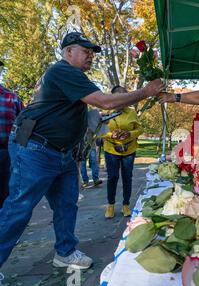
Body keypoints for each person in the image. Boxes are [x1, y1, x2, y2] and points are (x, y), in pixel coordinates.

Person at [0, 32, 164, 271]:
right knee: (19, 207)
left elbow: (83, 113)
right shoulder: (63, 71)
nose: (90, 57)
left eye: (92, 54)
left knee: (67, 203)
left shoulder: (73, 79)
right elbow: (105, 101)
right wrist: (144, 92)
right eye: (85, 52)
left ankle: (65, 252)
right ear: (68, 52)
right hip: (36, 148)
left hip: (61, 152)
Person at [102, 85, 143, 219]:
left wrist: (129, 133)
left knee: (127, 177)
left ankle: (126, 205)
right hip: (111, 150)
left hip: (129, 150)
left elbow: (140, 130)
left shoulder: (131, 112)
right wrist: (110, 135)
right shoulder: (106, 112)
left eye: (123, 99)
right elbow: (98, 132)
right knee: (112, 177)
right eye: (117, 98)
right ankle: (110, 206)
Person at [0, 60, 24, 208]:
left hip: (6, 155)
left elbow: (27, 124)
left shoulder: (11, 98)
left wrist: (19, 151)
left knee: (6, 195)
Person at [79, 108, 102, 188]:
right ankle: (85, 180)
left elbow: (97, 130)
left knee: (94, 161)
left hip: (91, 145)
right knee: (82, 163)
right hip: (81, 146)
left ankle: (96, 179)